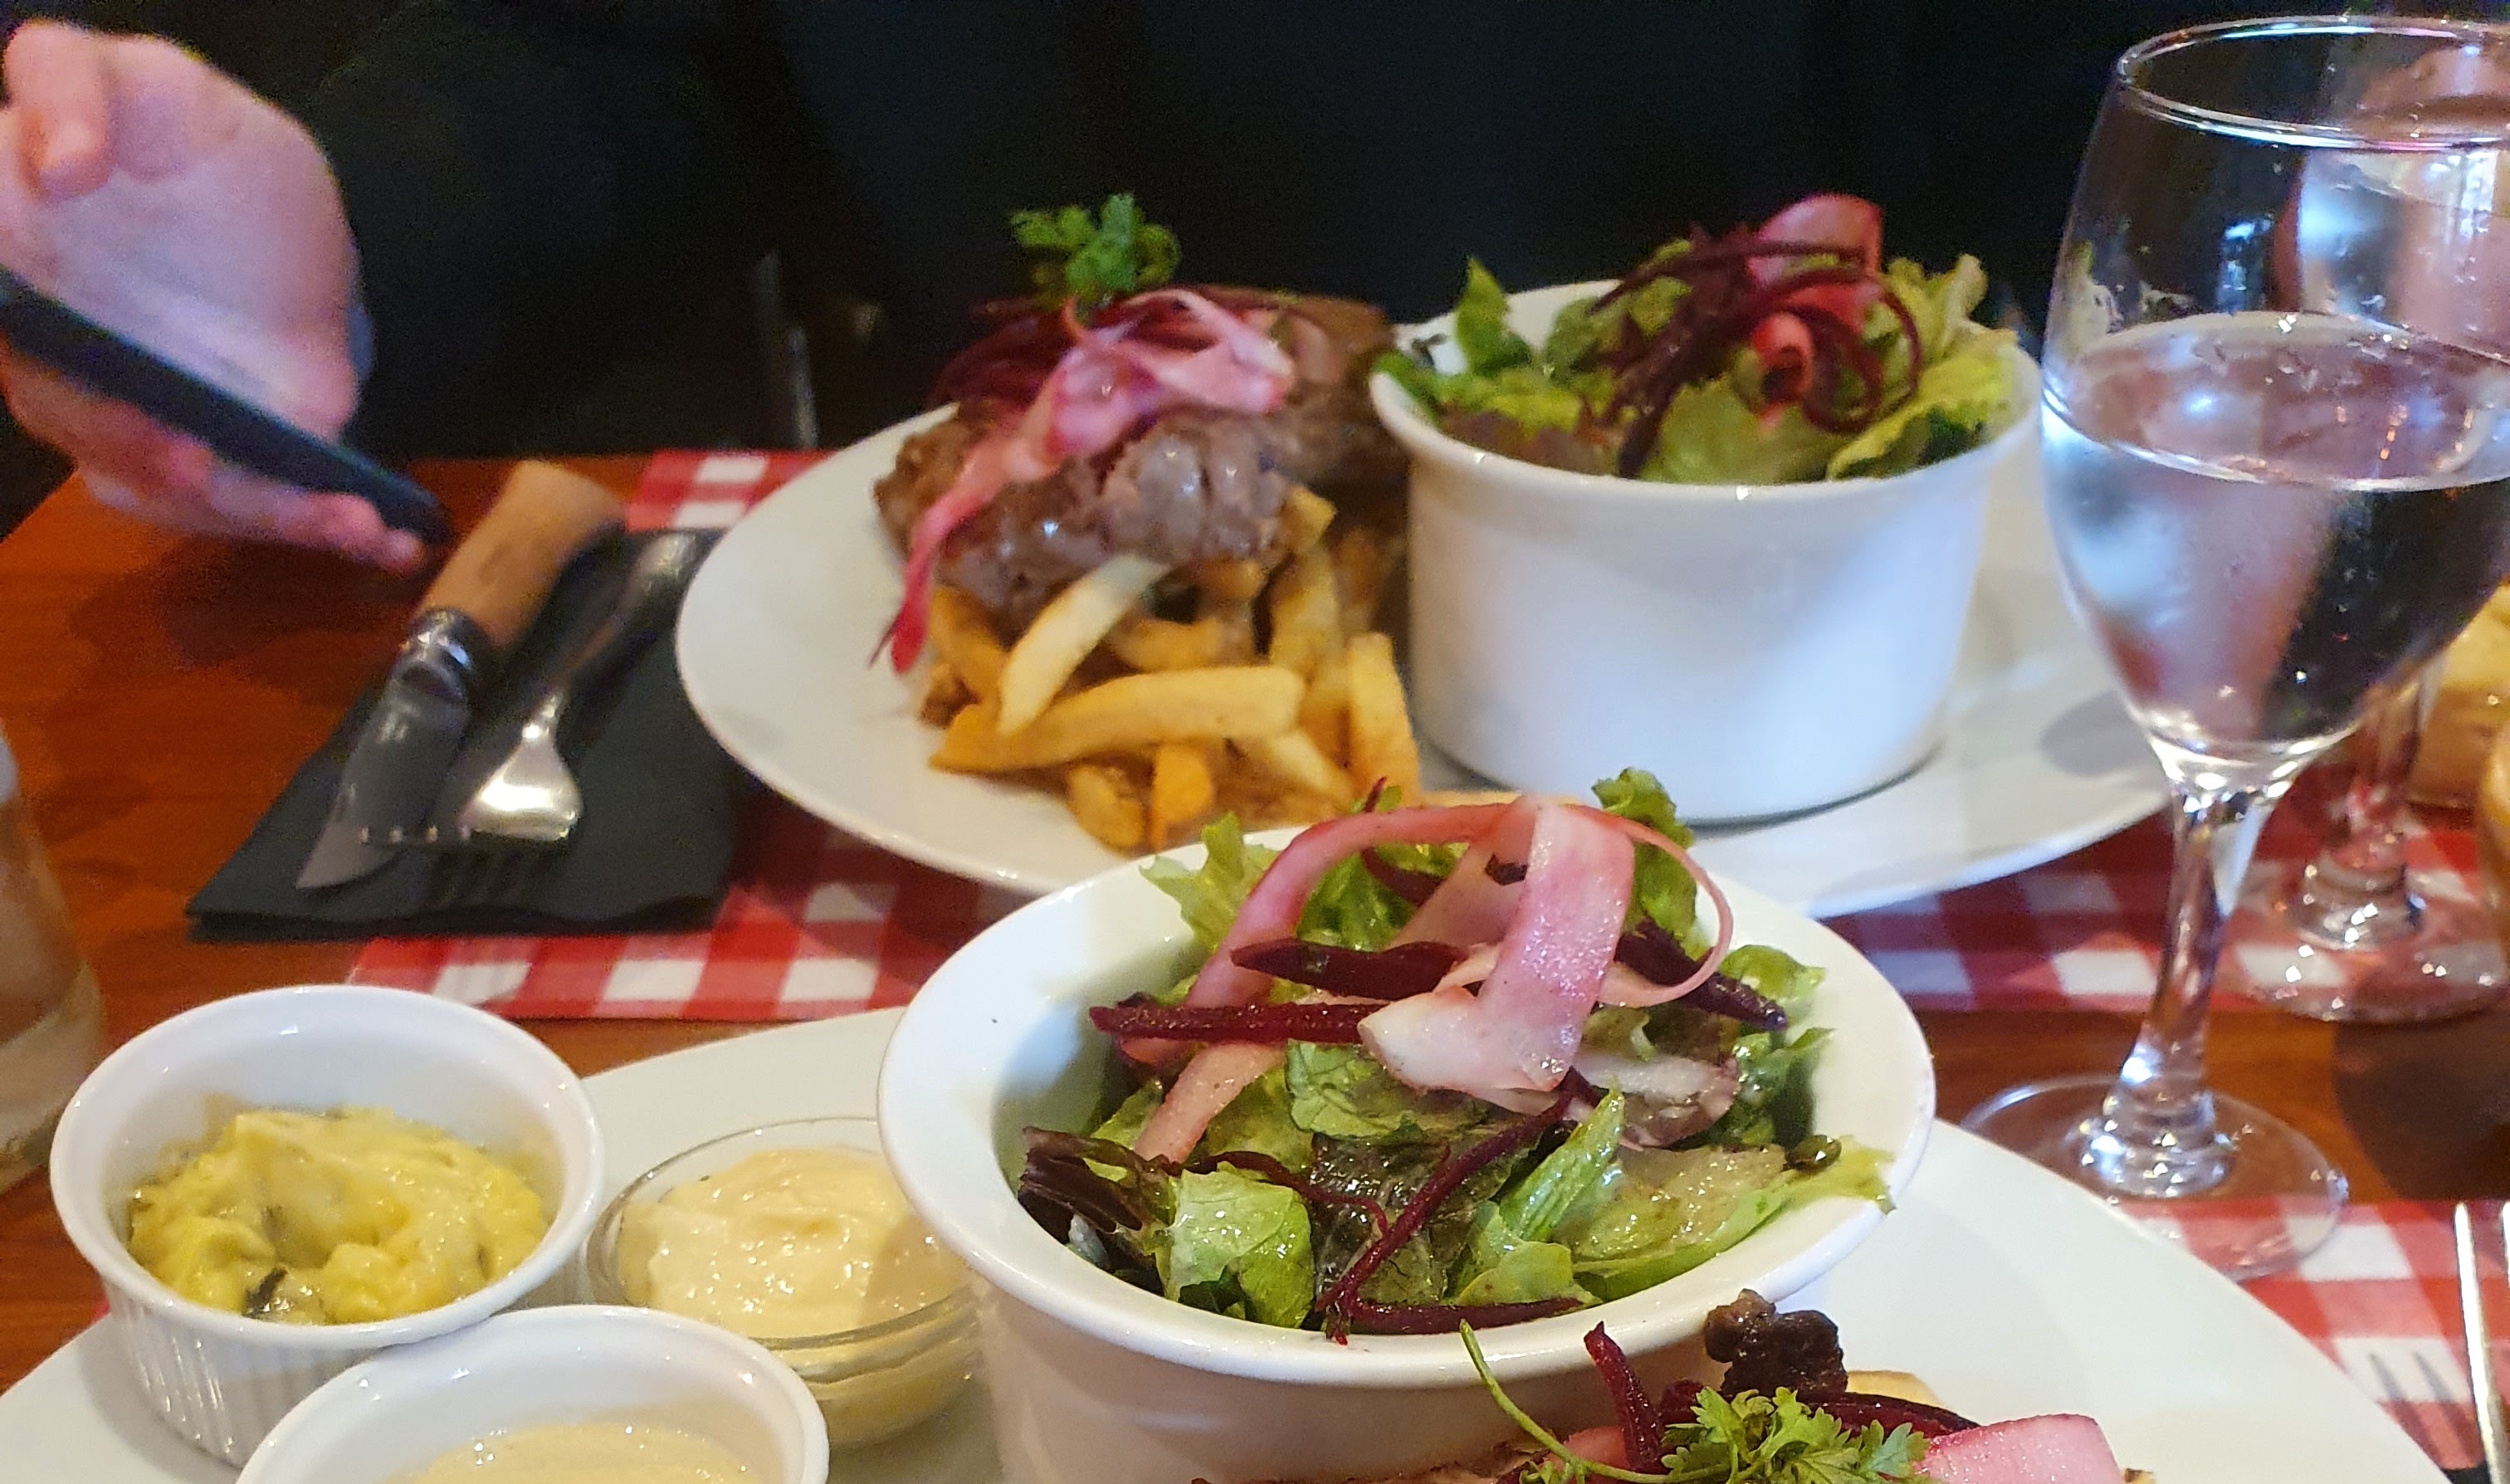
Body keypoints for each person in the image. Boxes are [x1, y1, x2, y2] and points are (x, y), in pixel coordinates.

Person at [0, 1, 2180, 570]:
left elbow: (2130, 115)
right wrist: (362, 232)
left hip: (1825, 666)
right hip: (981, 732)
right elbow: (626, 60)